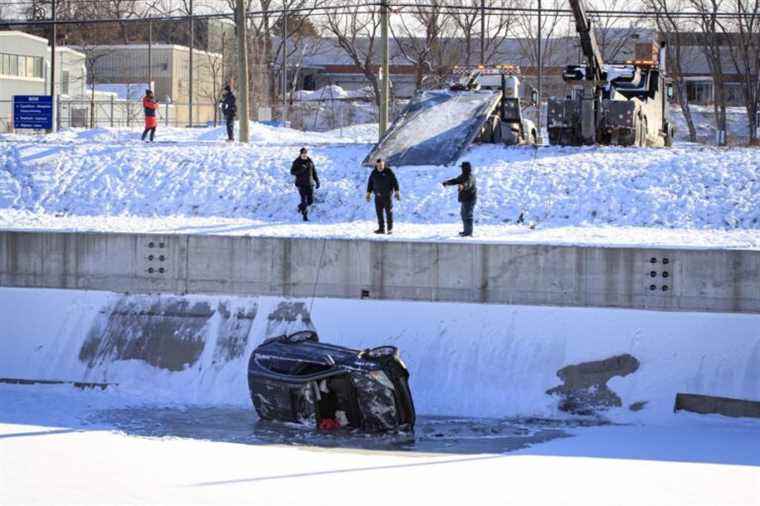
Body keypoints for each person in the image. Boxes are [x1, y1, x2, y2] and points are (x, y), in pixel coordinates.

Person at [442, 161, 477, 237]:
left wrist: (463, 186)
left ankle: (468, 233)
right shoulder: (463, 176)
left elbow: (468, 184)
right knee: (464, 214)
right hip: (465, 199)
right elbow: (456, 180)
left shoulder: (470, 176)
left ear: (466, 168)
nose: (461, 169)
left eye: (462, 168)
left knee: (468, 215)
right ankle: (466, 231)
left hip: (470, 199)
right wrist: (447, 182)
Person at [365, 158, 400, 234]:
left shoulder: (389, 171)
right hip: (378, 196)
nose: (380, 167)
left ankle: (390, 229)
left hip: (387, 196)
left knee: (388, 212)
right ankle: (381, 229)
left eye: (381, 165)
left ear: (384, 164)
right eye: (378, 166)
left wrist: (397, 192)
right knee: (379, 213)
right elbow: (370, 183)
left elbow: (395, 182)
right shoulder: (374, 173)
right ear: (376, 165)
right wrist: (368, 194)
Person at [290, 147, 320, 221]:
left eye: (305, 154)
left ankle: (300, 207)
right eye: (303, 154)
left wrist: (317, 181)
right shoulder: (296, 162)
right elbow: (292, 172)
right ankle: (305, 216)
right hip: (301, 184)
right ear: (300, 154)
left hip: (310, 184)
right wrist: (301, 170)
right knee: (304, 201)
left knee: (310, 201)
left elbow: (314, 172)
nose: (304, 155)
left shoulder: (310, 161)